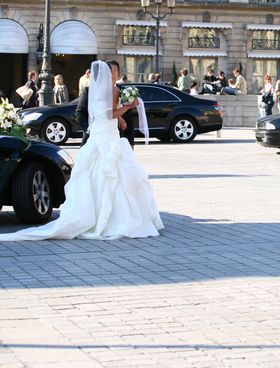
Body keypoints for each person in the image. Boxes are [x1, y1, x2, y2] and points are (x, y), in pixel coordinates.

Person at [0, 60, 164, 241]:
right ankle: (115, 218)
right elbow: (110, 113)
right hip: (107, 135)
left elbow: (102, 114)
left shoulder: (95, 90)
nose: (115, 74)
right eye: (114, 71)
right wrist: (128, 107)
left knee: (94, 175)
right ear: (110, 74)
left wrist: (120, 119)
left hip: (98, 134)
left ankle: (92, 214)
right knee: (114, 176)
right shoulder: (114, 90)